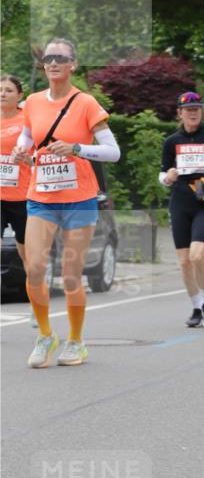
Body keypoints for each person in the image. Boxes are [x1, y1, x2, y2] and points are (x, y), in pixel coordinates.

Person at [11, 39, 121, 367]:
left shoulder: (86, 103)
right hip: (41, 196)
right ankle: (46, 335)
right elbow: (28, 137)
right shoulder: (32, 101)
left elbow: (113, 152)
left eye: (60, 57)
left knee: (71, 274)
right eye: (48, 58)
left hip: (78, 198)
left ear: (73, 64)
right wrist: (20, 150)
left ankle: (76, 340)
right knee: (33, 268)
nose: (53, 62)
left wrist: (76, 149)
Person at [160, 91, 204, 327]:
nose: (193, 113)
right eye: (188, 110)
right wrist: (167, 177)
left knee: (197, 255)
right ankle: (196, 307)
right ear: (180, 113)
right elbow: (163, 174)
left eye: (197, 109)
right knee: (184, 262)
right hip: (179, 203)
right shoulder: (171, 142)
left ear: (201, 111)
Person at [1, 75, 31, 293]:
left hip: (23, 195)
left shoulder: (28, 120)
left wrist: (28, 158)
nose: (2, 93)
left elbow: (41, 151)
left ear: (20, 95)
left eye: (9, 90)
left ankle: (36, 291)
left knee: (26, 252)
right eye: (0, 90)